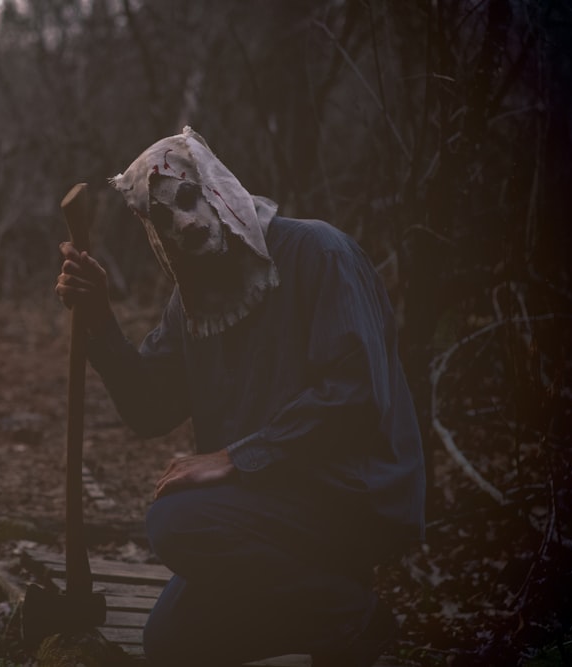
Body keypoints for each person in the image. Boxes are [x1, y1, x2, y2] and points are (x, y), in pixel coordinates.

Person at [55, 127, 426, 666]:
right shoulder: (193, 303)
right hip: (271, 513)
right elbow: (150, 408)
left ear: (216, 188)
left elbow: (354, 397)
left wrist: (234, 458)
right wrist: (100, 321)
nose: (182, 221)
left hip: (350, 497)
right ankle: (324, 609)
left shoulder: (318, 251)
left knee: (176, 521)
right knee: (171, 643)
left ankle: (355, 619)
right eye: (162, 219)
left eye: (187, 198)